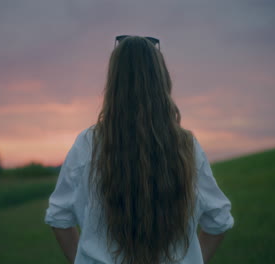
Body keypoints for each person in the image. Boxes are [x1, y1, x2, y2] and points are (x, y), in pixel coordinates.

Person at [44, 35, 234, 264]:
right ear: (161, 80)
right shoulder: (187, 147)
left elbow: (59, 216)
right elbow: (219, 219)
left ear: (114, 83)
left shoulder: (88, 144)